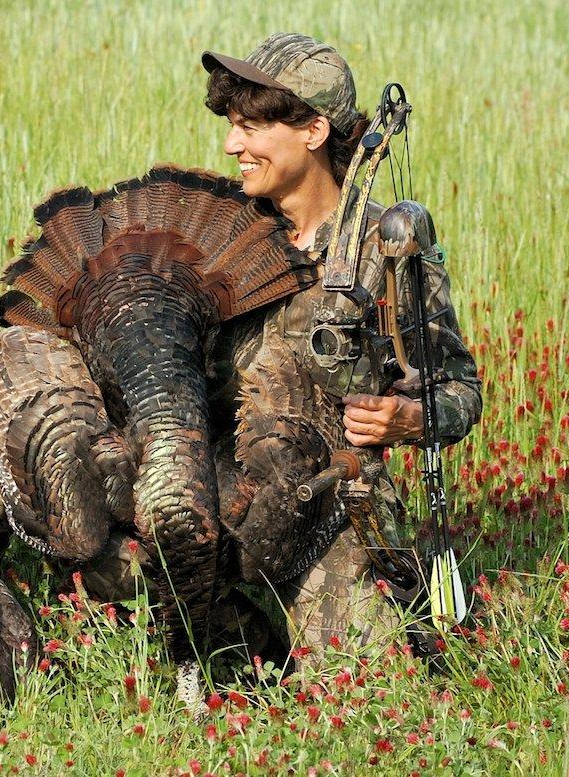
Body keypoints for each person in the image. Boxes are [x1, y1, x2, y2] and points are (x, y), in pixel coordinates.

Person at [200, 34, 482, 650]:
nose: (231, 146)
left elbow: (460, 390)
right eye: (232, 126)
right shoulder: (221, 236)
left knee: (360, 692)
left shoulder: (387, 247)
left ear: (314, 130)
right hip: (220, 497)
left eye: (251, 127)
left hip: (329, 509)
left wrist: (411, 418)